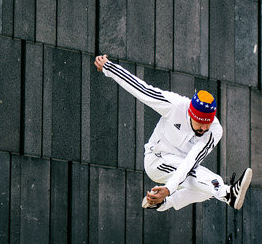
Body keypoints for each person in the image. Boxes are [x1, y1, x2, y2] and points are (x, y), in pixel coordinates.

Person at [94, 54, 251, 211]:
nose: (203, 129)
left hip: (183, 165)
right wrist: (109, 67)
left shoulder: (215, 131)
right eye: (200, 124)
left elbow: (192, 160)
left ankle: (164, 203)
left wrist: (169, 190)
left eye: (207, 124)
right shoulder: (174, 105)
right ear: (191, 114)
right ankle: (228, 194)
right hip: (156, 160)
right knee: (211, 182)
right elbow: (141, 90)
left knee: (208, 188)